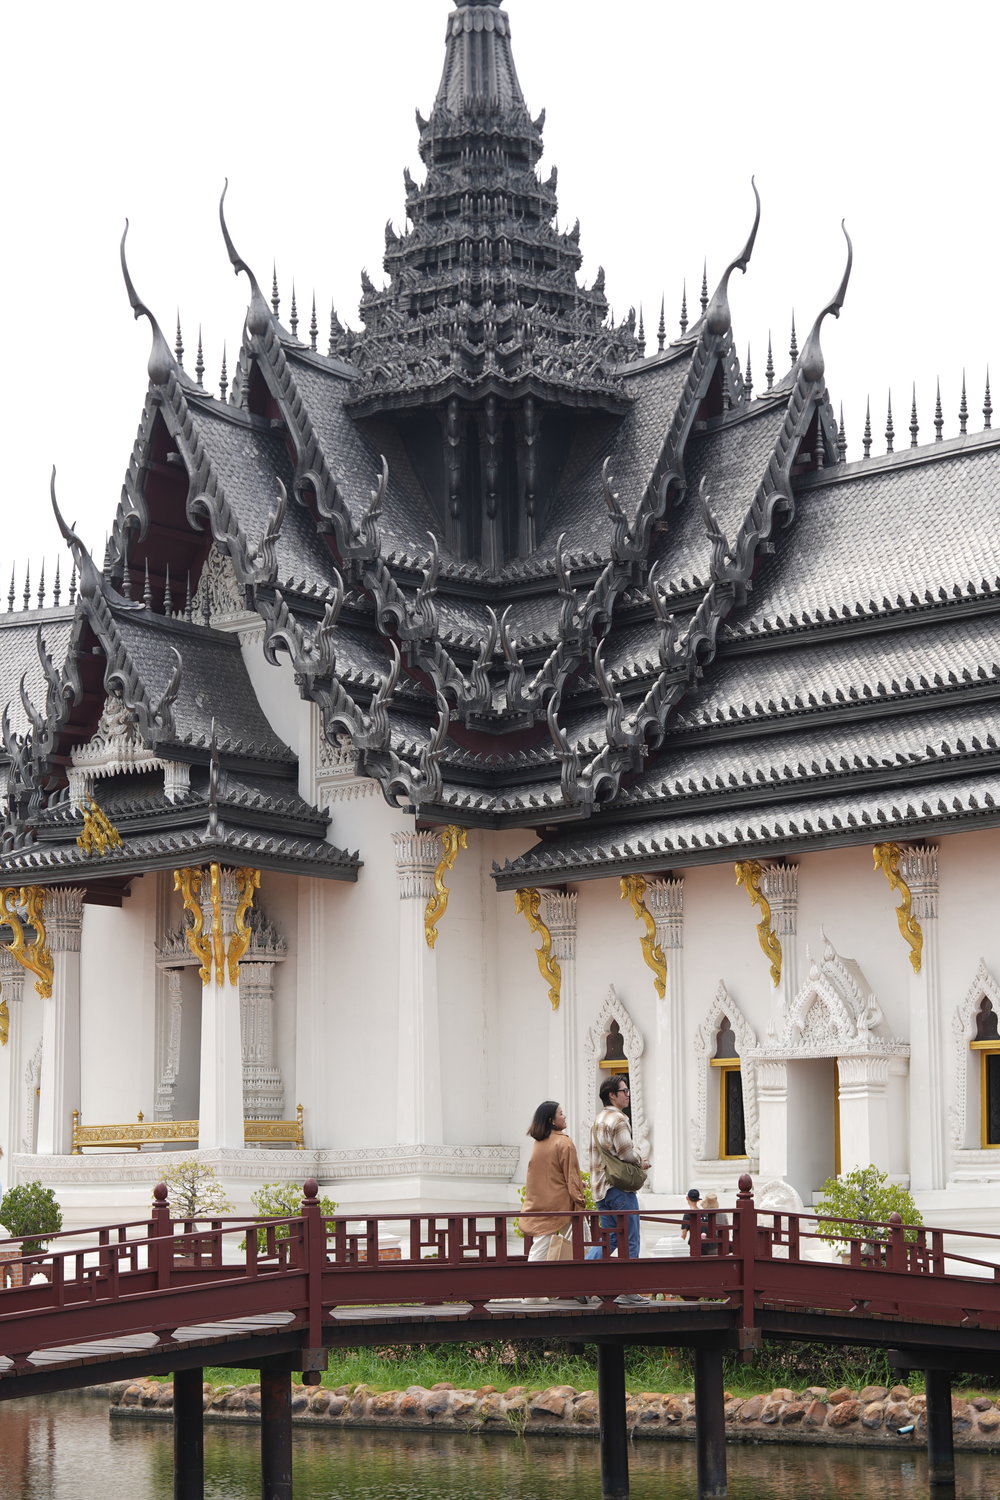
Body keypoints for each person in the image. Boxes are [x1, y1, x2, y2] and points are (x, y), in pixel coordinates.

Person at [588, 1074, 650, 1305]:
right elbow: (625, 1153)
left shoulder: (598, 1120)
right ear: (612, 1095)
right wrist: (641, 1161)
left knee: (610, 1238)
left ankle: (582, 1281)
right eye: (624, 1091)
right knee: (631, 1239)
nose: (628, 1094)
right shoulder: (619, 1120)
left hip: (600, 1190)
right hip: (619, 1189)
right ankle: (629, 1288)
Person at [519, 1100, 585, 1262]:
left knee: (541, 1247)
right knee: (581, 1243)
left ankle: (533, 1283)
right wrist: (580, 1201)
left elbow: (544, 1175)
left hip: (541, 1206)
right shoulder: (564, 1142)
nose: (564, 1116)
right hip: (561, 1207)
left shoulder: (538, 1143)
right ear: (552, 1120)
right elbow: (571, 1177)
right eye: (561, 1113)